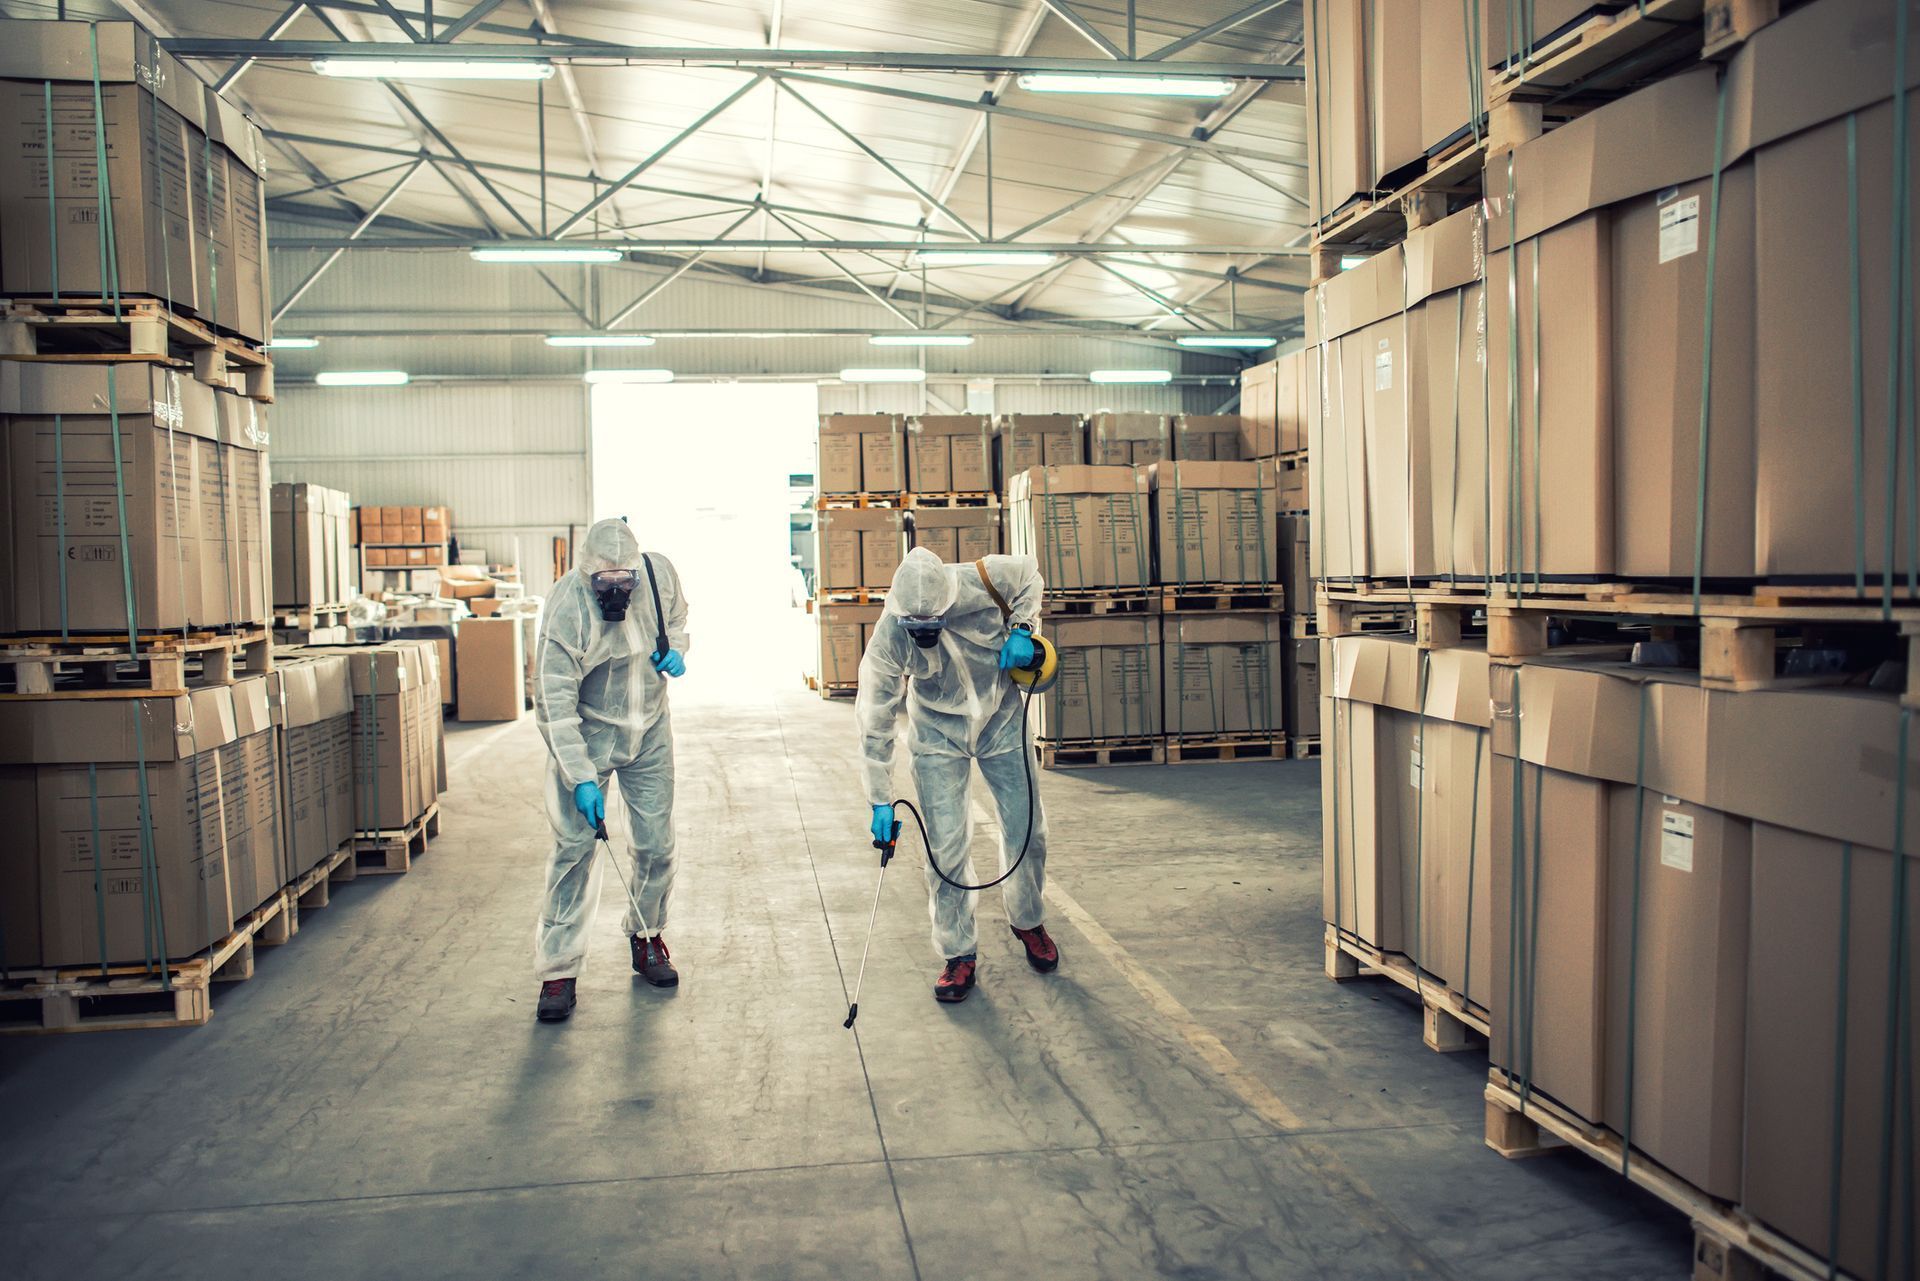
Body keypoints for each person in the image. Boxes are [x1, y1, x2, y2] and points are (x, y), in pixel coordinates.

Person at [856, 546, 1058, 1004]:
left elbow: (1031, 573)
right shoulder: (892, 632)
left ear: (949, 601)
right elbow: (875, 715)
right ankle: (958, 952)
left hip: (1002, 719)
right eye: (916, 628)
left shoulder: (985, 581)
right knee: (945, 846)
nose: (924, 635)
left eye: (932, 625)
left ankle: (1028, 921)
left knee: (1027, 827)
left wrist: (1023, 628)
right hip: (936, 732)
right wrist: (879, 799)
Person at [531, 518, 689, 1023]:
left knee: (655, 844)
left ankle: (647, 937)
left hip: (649, 731)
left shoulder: (658, 578)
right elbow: (554, 703)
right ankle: (558, 970)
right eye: (607, 582)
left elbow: (679, 620)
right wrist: (578, 774)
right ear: (588, 574)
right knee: (574, 850)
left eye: (626, 580)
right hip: (589, 735)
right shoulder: (568, 607)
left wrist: (676, 649)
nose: (618, 589)